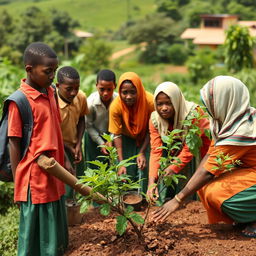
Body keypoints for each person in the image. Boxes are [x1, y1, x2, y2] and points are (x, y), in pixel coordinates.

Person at [153, 76, 256, 238]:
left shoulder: (240, 130)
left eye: (212, 103)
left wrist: (177, 199)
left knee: (216, 193)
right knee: (204, 187)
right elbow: (210, 155)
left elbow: (208, 171)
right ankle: (246, 215)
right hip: (250, 170)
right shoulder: (231, 120)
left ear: (225, 101)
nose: (209, 108)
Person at [8, 42, 69, 255]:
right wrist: (18, 184)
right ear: (29, 69)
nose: (53, 76)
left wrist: (66, 160)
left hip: (55, 172)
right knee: (36, 235)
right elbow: (14, 143)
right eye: (48, 71)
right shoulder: (20, 101)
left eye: (55, 70)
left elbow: (56, 130)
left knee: (54, 229)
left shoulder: (50, 92)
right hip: (35, 178)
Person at [147, 82, 211, 203]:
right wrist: (151, 182)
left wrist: (173, 167)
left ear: (176, 101)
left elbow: (190, 148)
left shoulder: (194, 114)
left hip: (201, 154)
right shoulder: (155, 120)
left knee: (201, 189)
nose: (164, 108)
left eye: (168, 103)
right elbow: (156, 150)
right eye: (159, 104)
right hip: (178, 153)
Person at [108, 72, 154, 193]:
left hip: (146, 137)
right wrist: (121, 162)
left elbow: (152, 130)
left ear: (139, 90)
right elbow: (116, 134)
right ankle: (126, 198)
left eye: (133, 92)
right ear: (120, 92)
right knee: (126, 170)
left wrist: (142, 152)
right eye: (124, 93)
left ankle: (145, 197)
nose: (128, 97)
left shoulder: (149, 102)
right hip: (126, 139)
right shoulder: (116, 106)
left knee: (145, 167)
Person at [56, 66, 88, 200]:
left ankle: (81, 213)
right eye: (69, 89)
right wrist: (67, 149)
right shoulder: (52, 103)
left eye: (77, 88)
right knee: (64, 185)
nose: (73, 92)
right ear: (58, 86)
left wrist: (79, 144)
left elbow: (81, 119)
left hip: (75, 147)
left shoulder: (80, 97)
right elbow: (53, 132)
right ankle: (66, 215)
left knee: (81, 182)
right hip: (58, 148)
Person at [85, 69, 117, 164]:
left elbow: (119, 123)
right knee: (94, 165)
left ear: (115, 86)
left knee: (114, 165)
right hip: (93, 136)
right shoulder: (91, 103)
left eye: (109, 89)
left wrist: (110, 140)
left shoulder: (118, 101)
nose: (105, 93)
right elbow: (88, 126)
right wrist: (101, 143)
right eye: (102, 89)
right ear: (96, 86)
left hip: (113, 135)